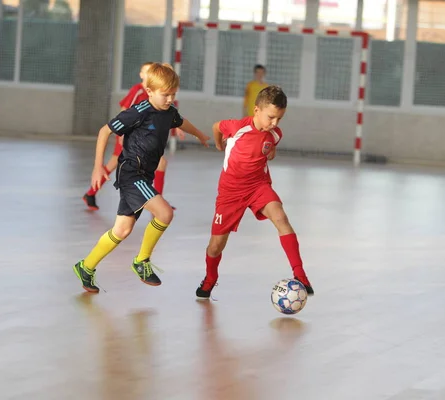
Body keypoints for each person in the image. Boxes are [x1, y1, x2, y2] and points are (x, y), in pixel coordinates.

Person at [73, 63, 210, 293]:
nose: (169, 99)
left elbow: (180, 120)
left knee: (122, 230)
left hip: (143, 175)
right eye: (165, 94)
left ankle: (86, 267)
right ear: (150, 91)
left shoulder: (169, 112)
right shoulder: (138, 112)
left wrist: (200, 134)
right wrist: (98, 167)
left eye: (173, 94)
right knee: (165, 213)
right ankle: (142, 261)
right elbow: (104, 131)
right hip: (132, 175)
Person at [196, 85, 314, 299]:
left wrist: (271, 152)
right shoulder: (237, 126)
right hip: (230, 192)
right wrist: (218, 144)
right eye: (271, 117)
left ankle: (300, 274)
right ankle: (211, 277)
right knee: (215, 247)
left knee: (281, 217)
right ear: (256, 110)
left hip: (258, 186)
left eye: (279, 119)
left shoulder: (275, 133)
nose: (275, 123)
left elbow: (271, 145)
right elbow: (216, 126)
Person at [82, 61, 183, 210]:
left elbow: (164, 116)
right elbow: (124, 111)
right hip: (130, 135)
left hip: (142, 137)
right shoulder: (138, 90)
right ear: (142, 75)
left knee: (156, 163)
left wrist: (177, 128)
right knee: (116, 164)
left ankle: (90, 193)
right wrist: (122, 134)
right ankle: (158, 202)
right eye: (147, 72)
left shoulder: (160, 93)